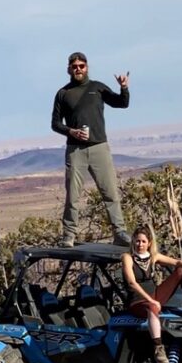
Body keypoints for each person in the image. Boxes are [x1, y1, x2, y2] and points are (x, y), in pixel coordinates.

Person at [51, 51, 132, 248]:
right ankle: (69, 235)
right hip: (75, 150)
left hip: (99, 148)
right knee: (73, 195)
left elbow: (122, 104)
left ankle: (119, 232)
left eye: (81, 66)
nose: (78, 69)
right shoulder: (63, 93)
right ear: (68, 69)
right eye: (74, 66)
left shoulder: (98, 88)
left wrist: (124, 88)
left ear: (87, 67)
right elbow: (55, 123)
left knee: (110, 192)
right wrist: (72, 131)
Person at [121, 224, 182, 363]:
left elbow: (176, 261)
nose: (140, 244)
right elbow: (131, 283)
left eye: (143, 241)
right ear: (133, 241)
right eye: (137, 241)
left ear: (149, 243)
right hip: (138, 301)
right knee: (152, 306)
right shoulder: (127, 257)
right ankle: (158, 348)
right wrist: (150, 300)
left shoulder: (153, 256)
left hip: (155, 295)